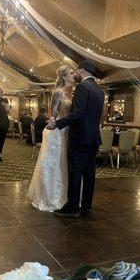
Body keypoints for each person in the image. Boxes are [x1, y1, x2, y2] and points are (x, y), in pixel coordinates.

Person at [48, 60, 104, 218]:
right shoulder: (99, 90)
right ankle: (86, 205)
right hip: (94, 138)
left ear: (83, 71)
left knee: (75, 171)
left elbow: (77, 114)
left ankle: (72, 207)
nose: (76, 73)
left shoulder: (82, 87)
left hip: (80, 137)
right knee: (89, 173)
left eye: (77, 71)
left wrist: (57, 123)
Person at [27, 65, 75, 211]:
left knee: (67, 164)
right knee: (55, 164)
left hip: (70, 131)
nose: (74, 75)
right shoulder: (58, 92)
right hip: (58, 131)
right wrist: (53, 122)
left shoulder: (73, 93)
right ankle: (50, 196)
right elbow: (53, 113)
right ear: (64, 76)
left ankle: (66, 196)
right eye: (71, 73)